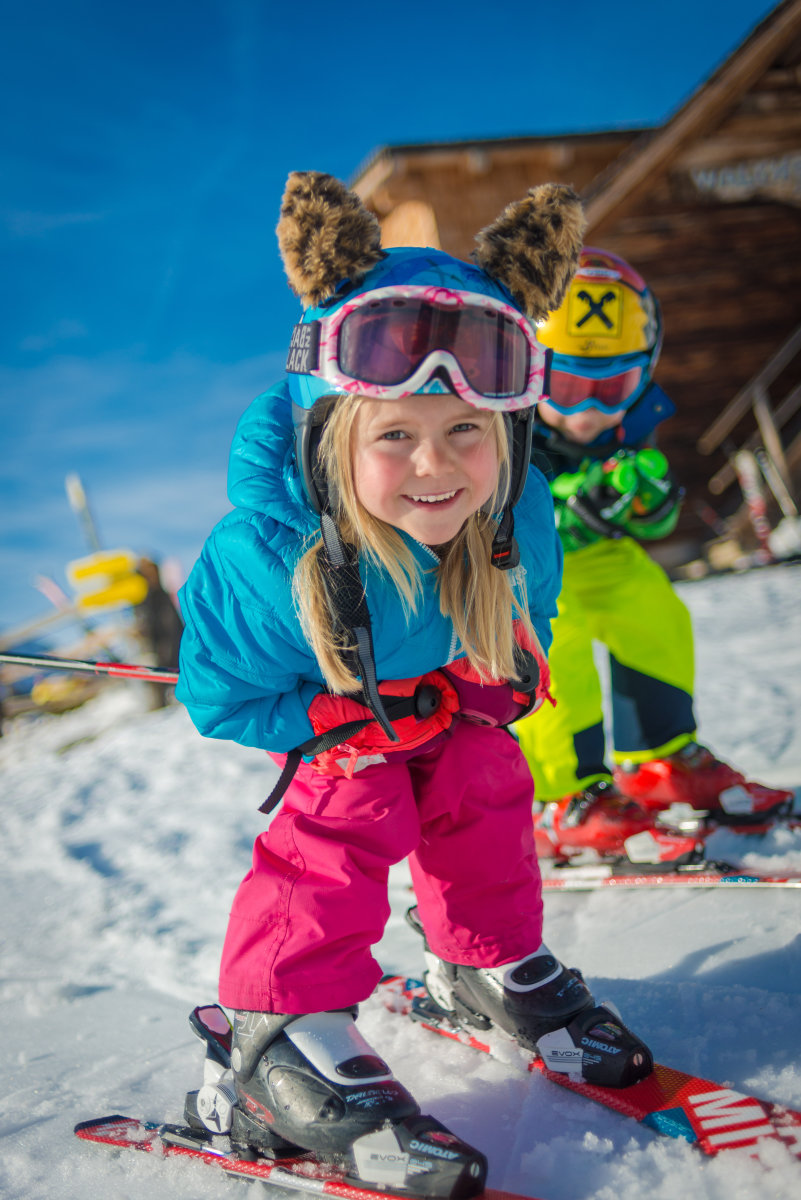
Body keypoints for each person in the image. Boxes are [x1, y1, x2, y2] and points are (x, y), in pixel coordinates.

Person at [175, 173, 652, 1196]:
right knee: (358, 793)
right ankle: (275, 1029)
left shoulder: (516, 524)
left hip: (438, 716)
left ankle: (478, 960)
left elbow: (526, 641)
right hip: (342, 731)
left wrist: (490, 695)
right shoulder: (266, 555)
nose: (435, 465)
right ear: (334, 439)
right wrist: (324, 715)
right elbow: (219, 693)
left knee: (484, 766)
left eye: (466, 432)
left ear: (505, 436)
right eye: (394, 435)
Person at [512, 248, 792, 865]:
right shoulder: (504, 421)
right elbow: (495, 495)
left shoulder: (633, 420)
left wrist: (649, 501)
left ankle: (660, 759)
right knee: (556, 650)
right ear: (532, 370)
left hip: (602, 560)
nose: (590, 410)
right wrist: (566, 502)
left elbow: (653, 512)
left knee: (656, 613)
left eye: (612, 386)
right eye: (570, 386)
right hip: (525, 571)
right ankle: (563, 797)